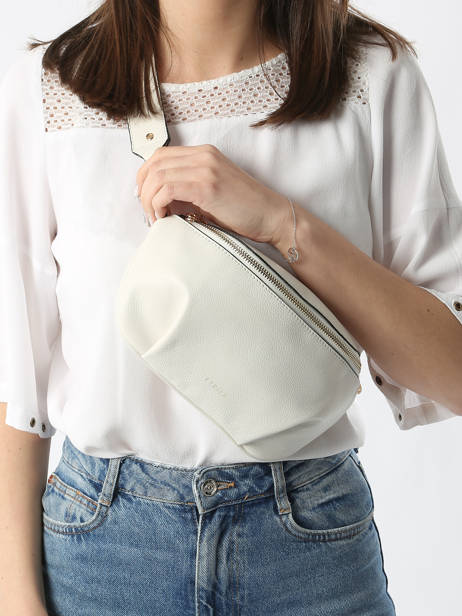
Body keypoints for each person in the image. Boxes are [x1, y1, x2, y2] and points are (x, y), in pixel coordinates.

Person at [1, 1, 461, 614]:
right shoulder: (51, 88)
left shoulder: (372, 73)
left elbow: (452, 372)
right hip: (103, 553)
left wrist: (284, 223)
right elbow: (17, 387)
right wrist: (14, 596)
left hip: (309, 552)